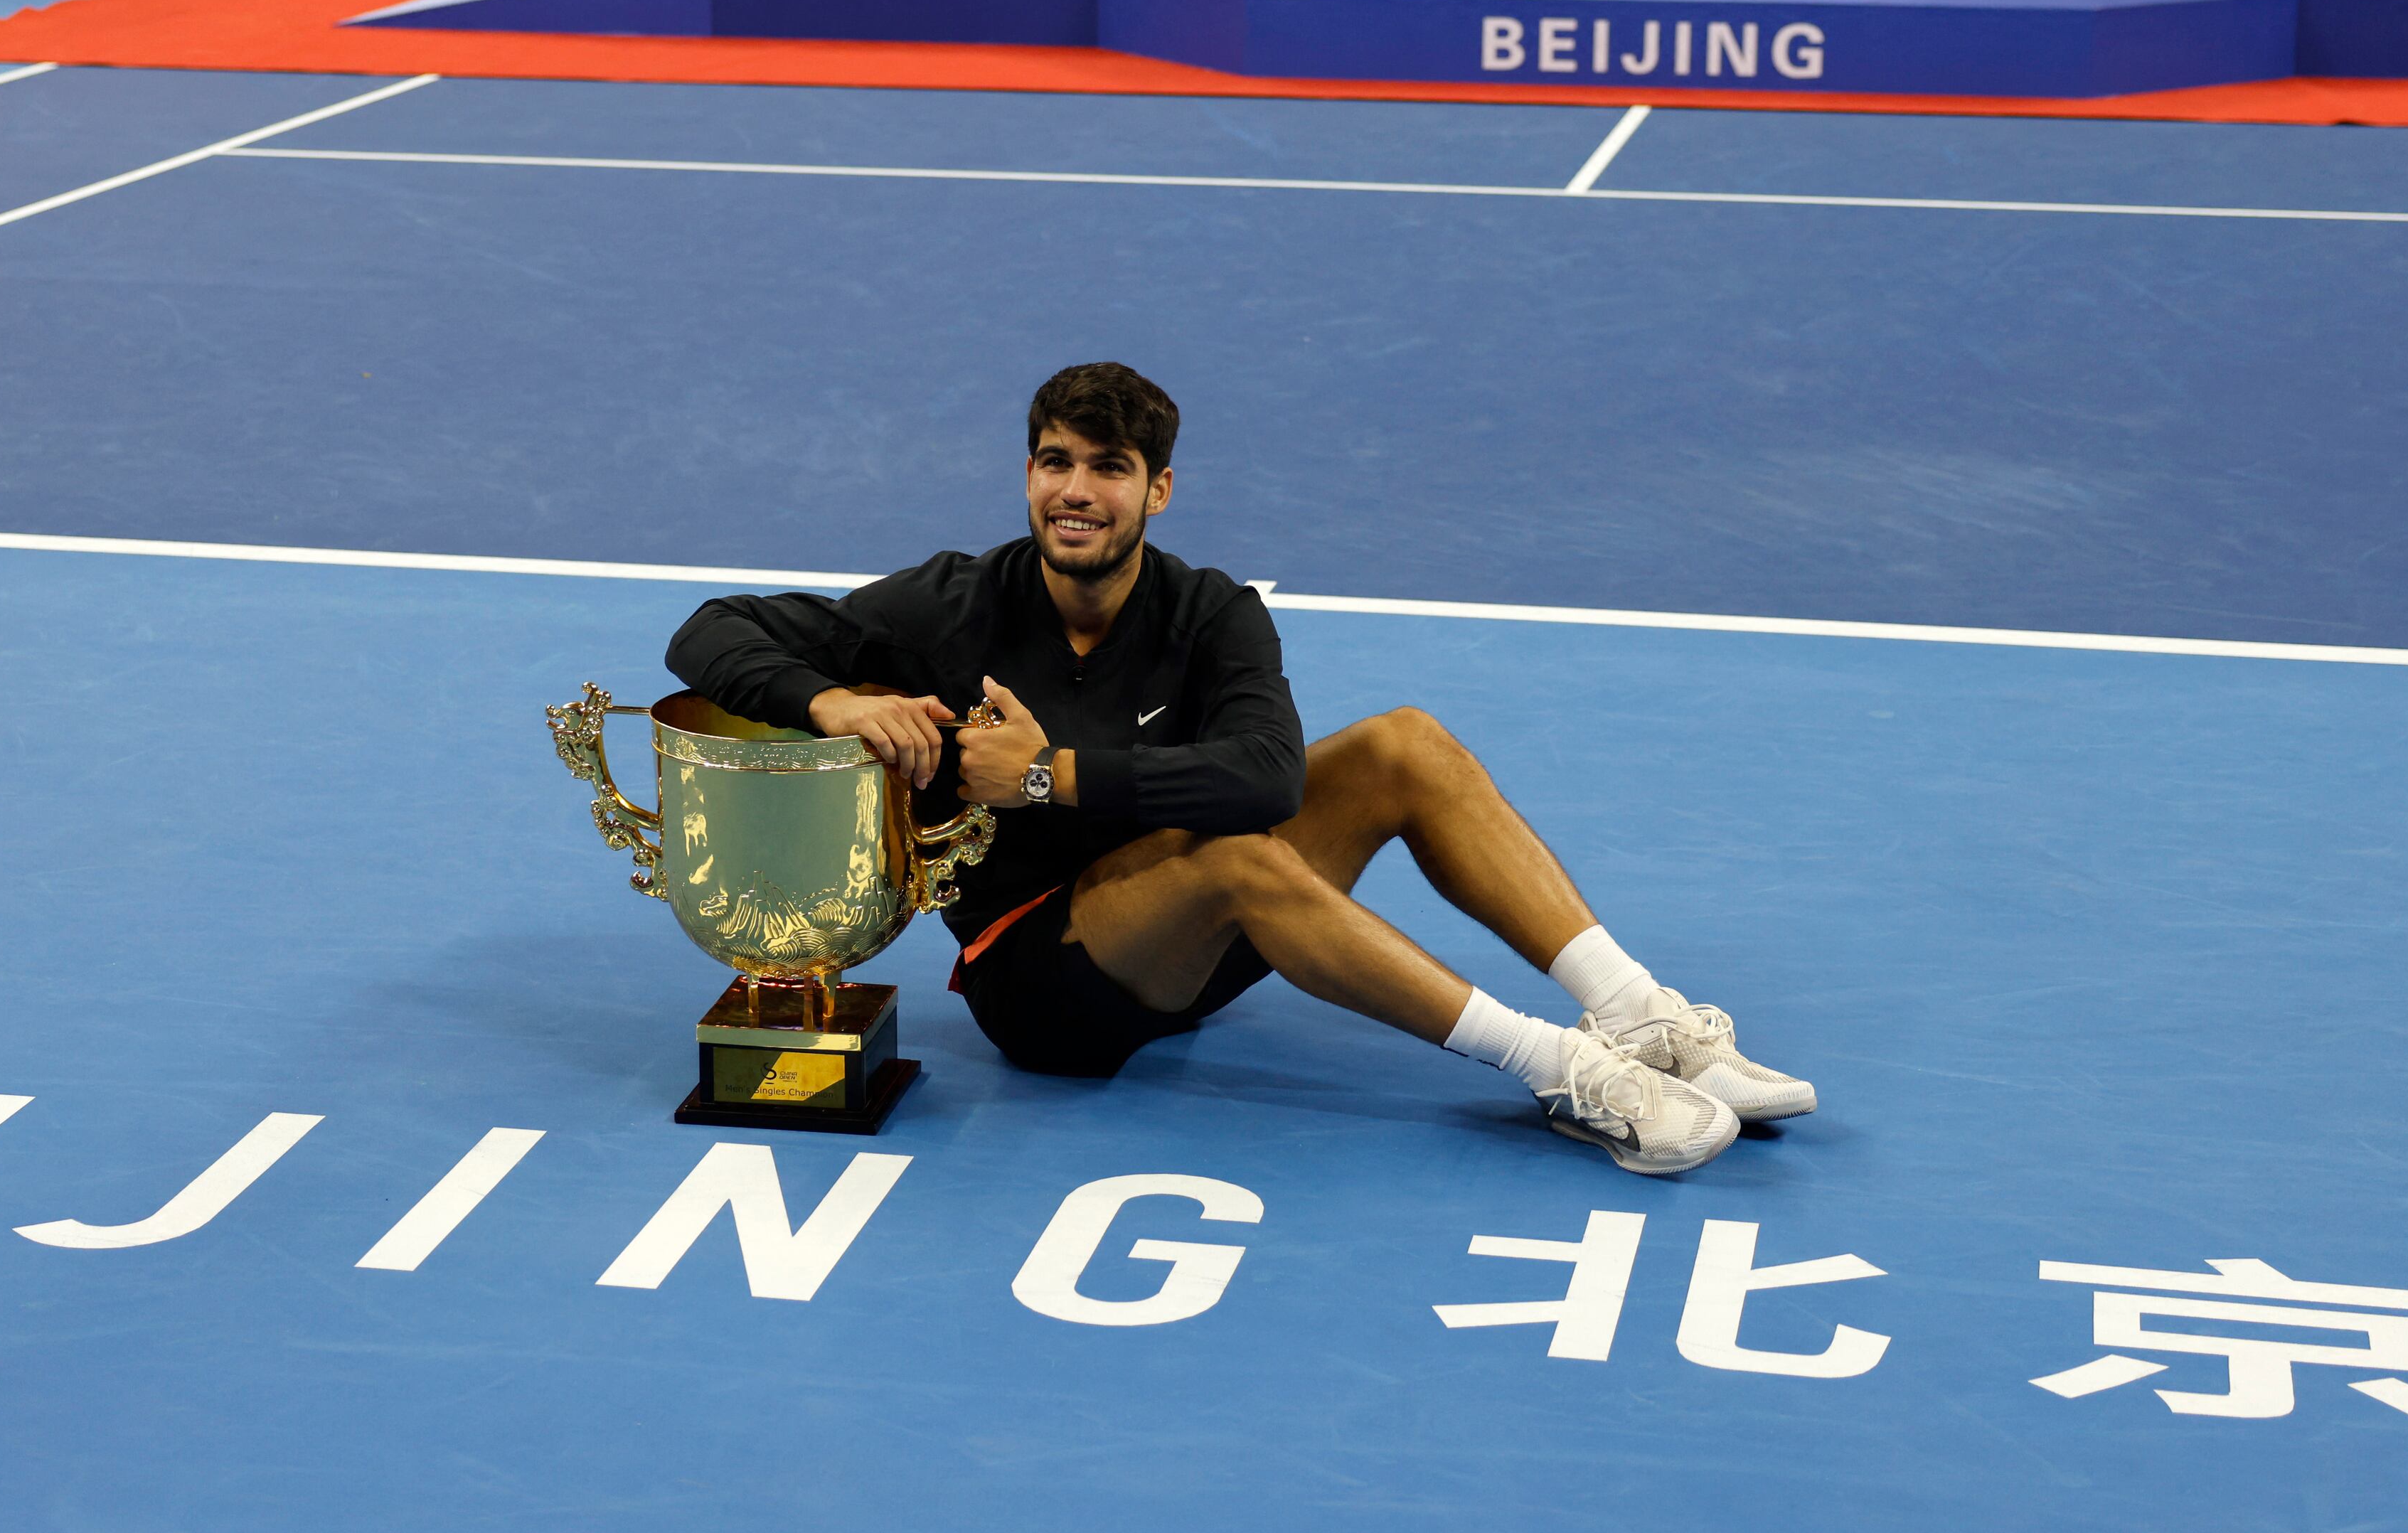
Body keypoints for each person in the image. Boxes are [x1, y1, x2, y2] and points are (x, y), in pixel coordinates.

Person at [664, 365, 1818, 1175]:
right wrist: (837, 697)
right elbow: (709, 631)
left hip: (1197, 953)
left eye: (1108, 468)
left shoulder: (1210, 610)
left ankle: (1638, 1015)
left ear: (1156, 490)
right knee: (1232, 858)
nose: (1077, 490)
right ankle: (1570, 1073)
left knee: (1402, 744)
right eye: (1055, 462)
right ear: (1026, 475)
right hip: (1045, 985)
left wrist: (1043, 777)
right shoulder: (948, 603)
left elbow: (1268, 777)